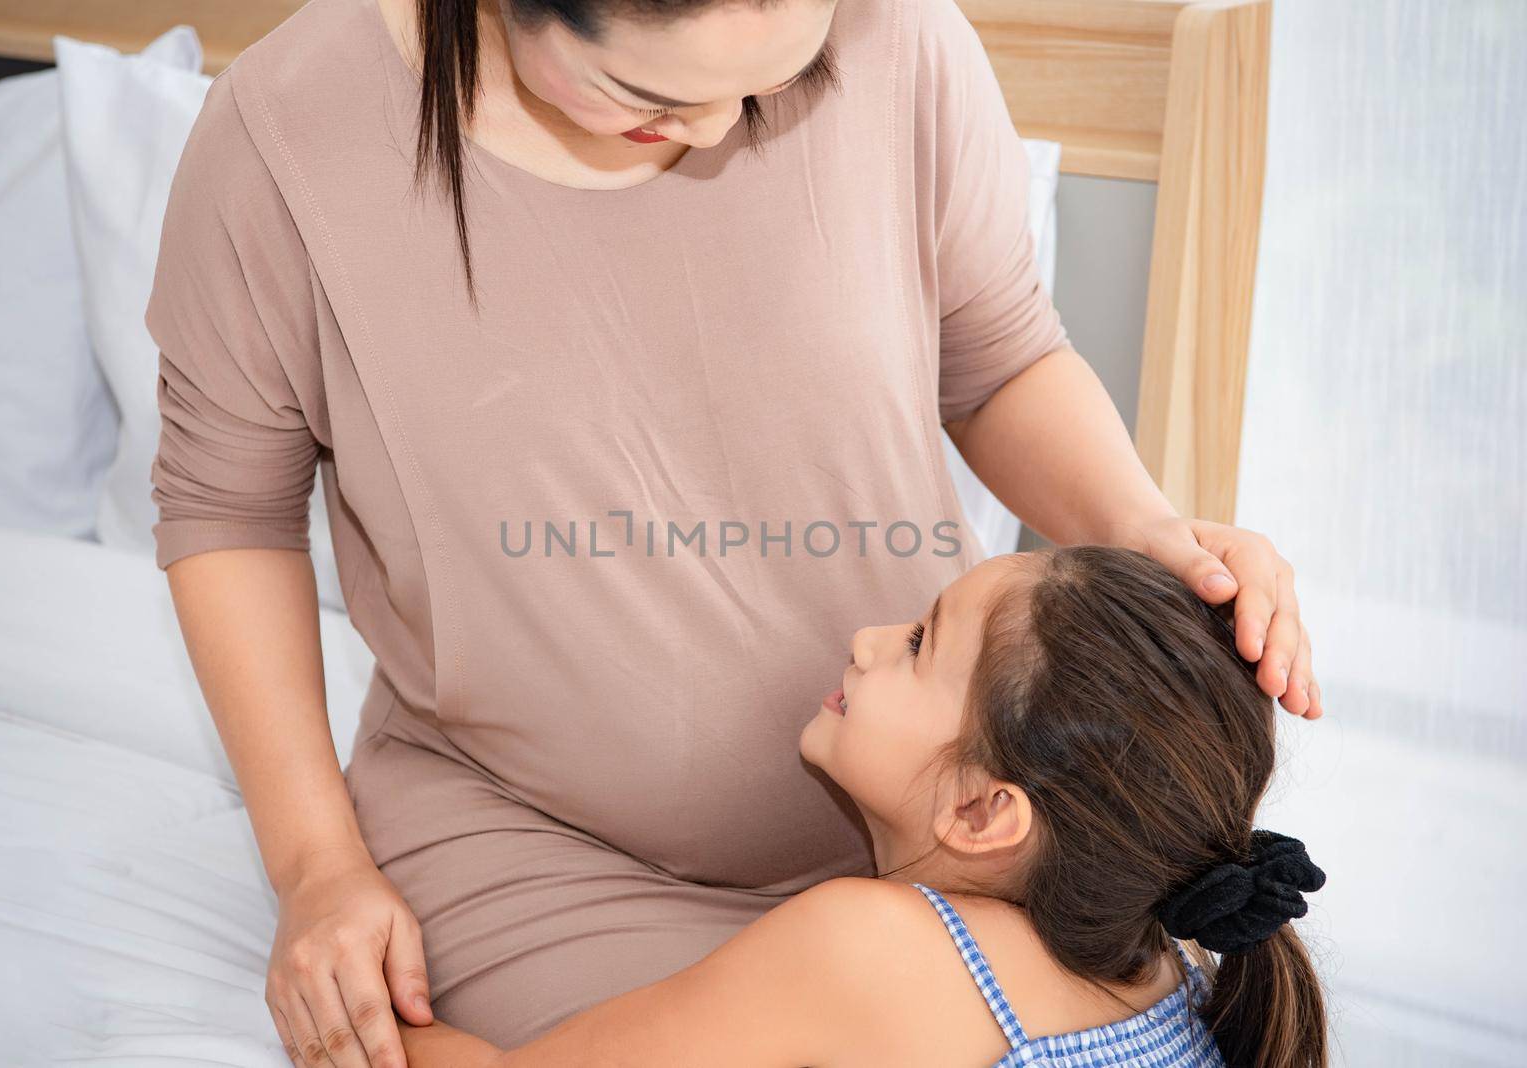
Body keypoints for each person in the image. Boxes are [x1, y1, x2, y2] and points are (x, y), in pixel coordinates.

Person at [144, 0, 1325, 1061]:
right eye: (658, 98)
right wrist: (316, 870)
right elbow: (227, 512)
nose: (719, 133)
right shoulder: (289, 142)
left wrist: (1149, 534)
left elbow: (1000, 355)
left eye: (771, 82)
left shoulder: (897, 34)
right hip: (543, 855)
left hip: (940, 848)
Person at [390, 545, 1328, 1066]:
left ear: (981, 812)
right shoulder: (1176, 972)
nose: (867, 637)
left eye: (921, 643)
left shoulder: (871, 947)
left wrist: (367, 1029)